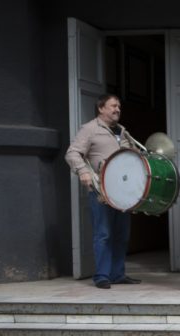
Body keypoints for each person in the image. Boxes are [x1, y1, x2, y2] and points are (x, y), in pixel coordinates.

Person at [65, 94, 142, 290]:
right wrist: (82, 171)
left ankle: (118, 274)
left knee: (122, 235)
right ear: (101, 108)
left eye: (119, 107)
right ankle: (102, 276)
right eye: (113, 106)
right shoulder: (90, 129)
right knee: (104, 234)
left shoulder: (123, 132)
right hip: (102, 190)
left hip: (124, 191)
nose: (117, 109)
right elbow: (72, 152)